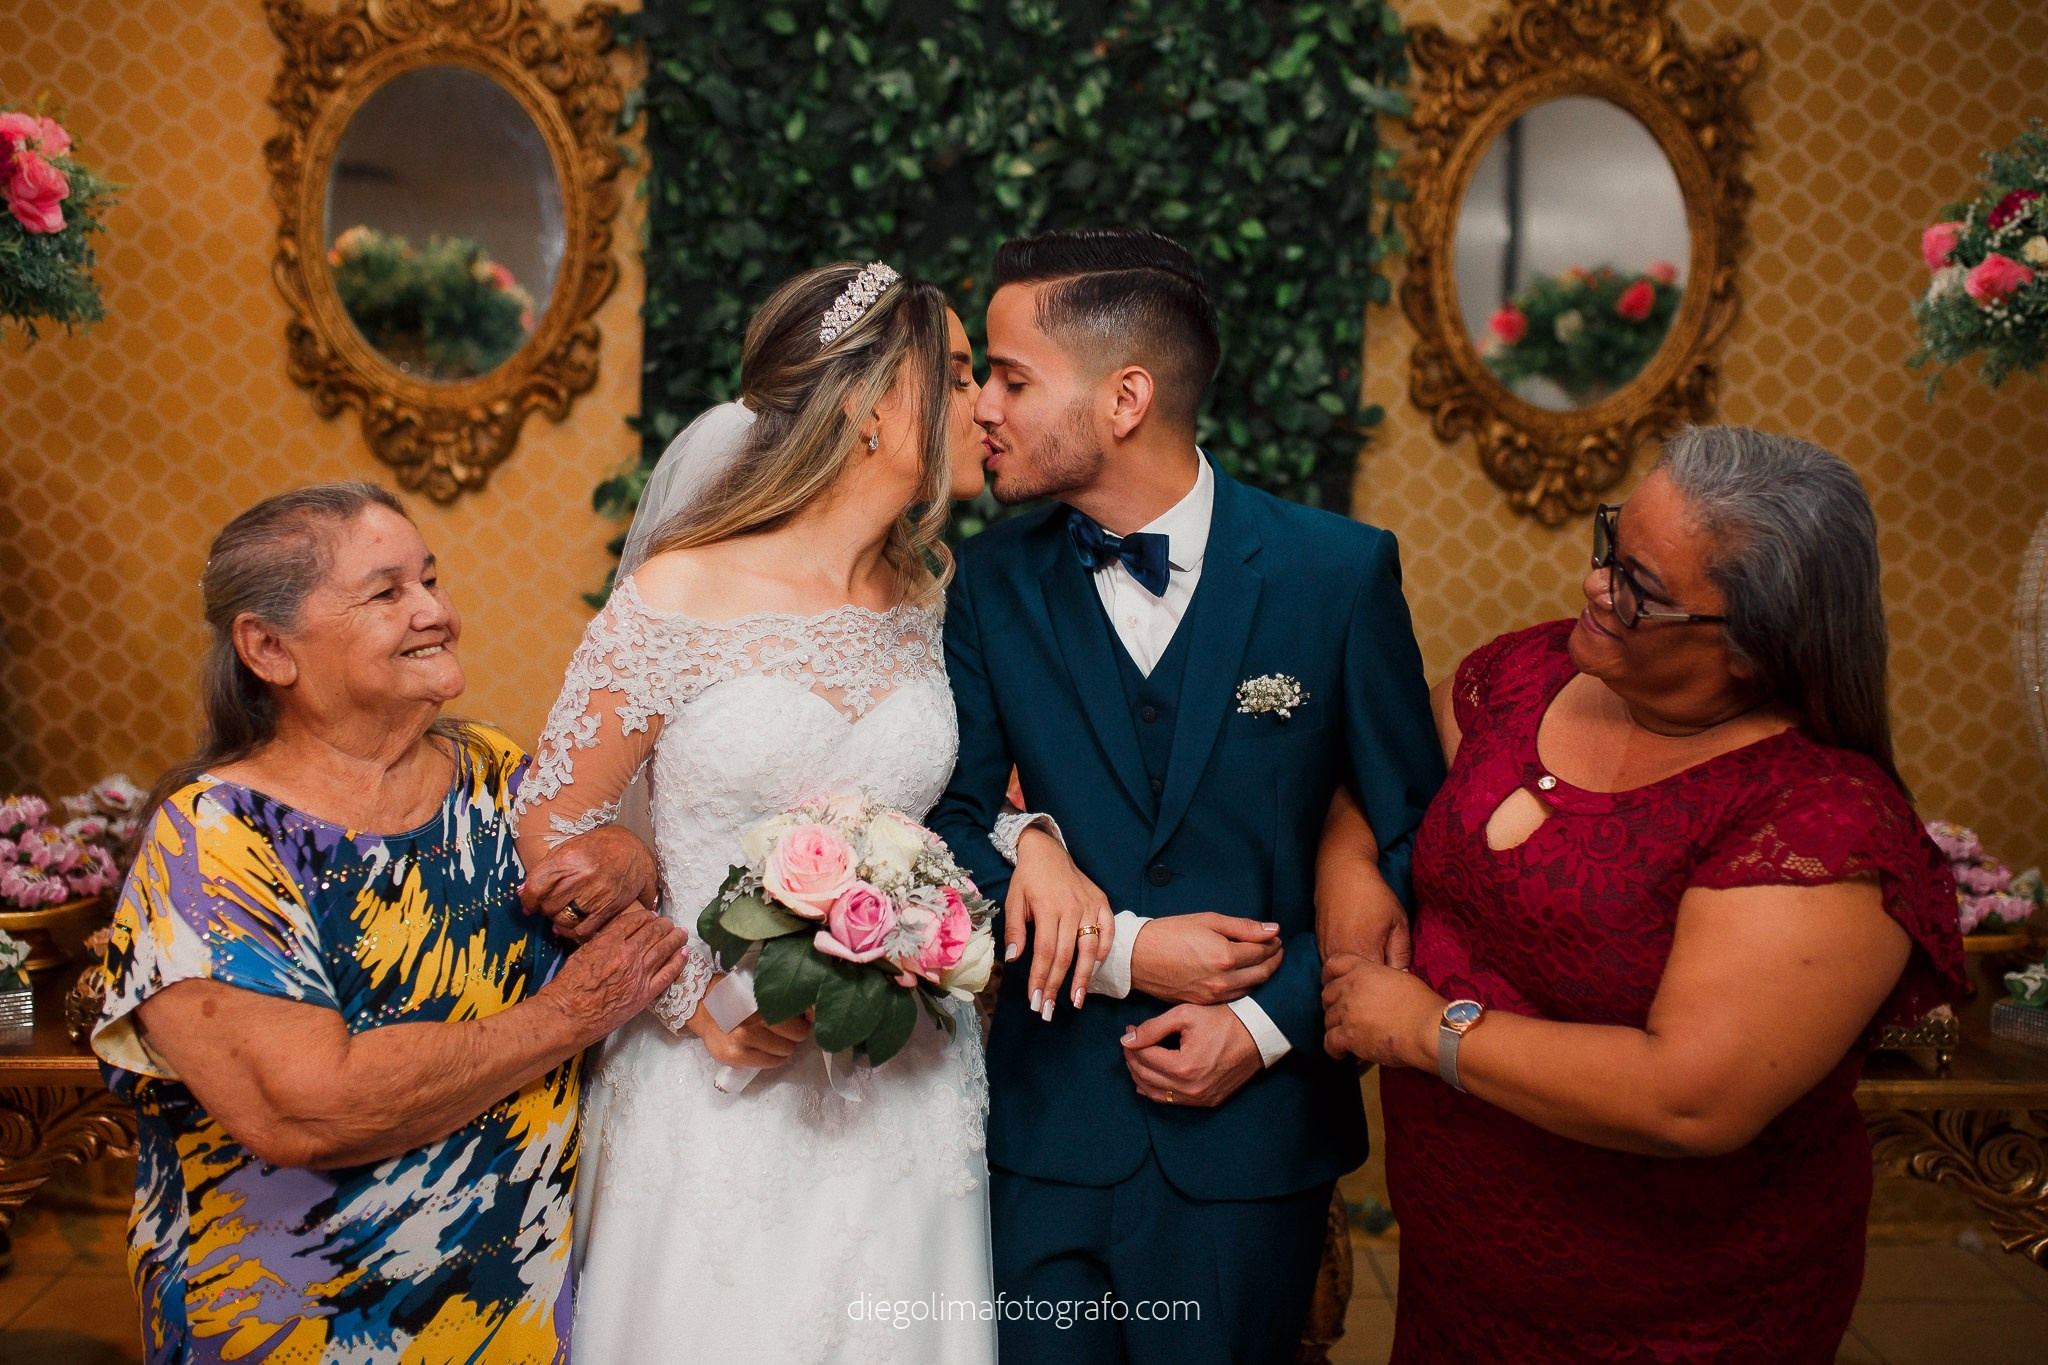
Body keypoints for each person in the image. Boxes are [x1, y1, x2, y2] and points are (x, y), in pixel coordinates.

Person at [1320, 426, 1968, 1363]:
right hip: (1458, 1279)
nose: (1595, 587)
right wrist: (1350, 869)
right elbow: (1379, 779)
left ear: (1754, 646)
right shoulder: (1523, 674)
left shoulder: (1821, 822)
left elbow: (1689, 1100)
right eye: (1611, 549)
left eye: (1641, 591)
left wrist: (1427, 1030)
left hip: (1674, 1314)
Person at [928, 227, 1444, 1365]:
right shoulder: (988, 586)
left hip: (1250, 1141)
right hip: (1045, 1131)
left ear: (1124, 397)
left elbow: (1415, 842)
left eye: (1012, 379)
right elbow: (946, 827)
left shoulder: (1334, 574)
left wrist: (1265, 1027)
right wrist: (1120, 946)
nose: (982, 411)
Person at [510, 261, 1001, 1362]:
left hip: (907, 1088)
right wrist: (691, 997)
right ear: (874, 404)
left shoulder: (930, 603)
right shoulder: (679, 595)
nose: (988, 403)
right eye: (960, 374)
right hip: (715, 1086)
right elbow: (548, 821)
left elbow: (966, 809)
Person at [91, 482, 689, 1365]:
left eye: (432, 580)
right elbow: (309, 1107)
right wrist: (571, 1014)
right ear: (268, 647)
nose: (435, 612)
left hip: (514, 1317)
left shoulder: (493, 771)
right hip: (301, 1328)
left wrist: (627, 861)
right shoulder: (213, 839)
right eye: (387, 592)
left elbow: (624, 864)